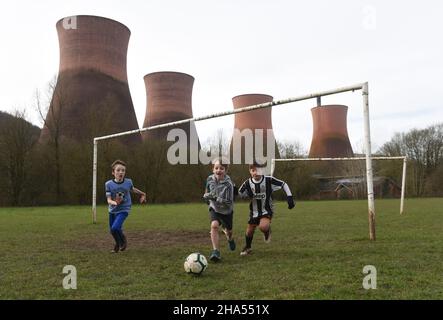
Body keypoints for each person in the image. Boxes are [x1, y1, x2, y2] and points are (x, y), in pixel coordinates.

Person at [238, 162, 295, 256]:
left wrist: (289, 197)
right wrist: (247, 195)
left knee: (263, 226)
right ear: (250, 171)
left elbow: (283, 184)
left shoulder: (269, 180)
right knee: (249, 231)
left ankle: (267, 231)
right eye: (253, 170)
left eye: (259, 170)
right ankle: (248, 247)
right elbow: (240, 193)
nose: (256, 173)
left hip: (266, 210)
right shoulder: (247, 183)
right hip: (254, 212)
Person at [105, 159, 146, 253]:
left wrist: (143, 194)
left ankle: (123, 240)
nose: (121, 172)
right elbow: (108, 199)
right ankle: (117, 244)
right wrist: (114, 202)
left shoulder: (128, 182)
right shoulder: (108, 184)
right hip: (112, 209)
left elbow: (133, 189)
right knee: (112, 230)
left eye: (123, 170)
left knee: (115, 228)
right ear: (113, 172)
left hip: (124, 209)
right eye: (118, 170)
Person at [203, 157, 236, 262]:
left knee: (229, 231)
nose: (218, 170)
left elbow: (229, 202)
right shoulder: (209, 179)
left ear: (226, 171)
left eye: (221, 168)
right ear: (213, 169)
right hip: (214, 208)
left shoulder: (229, 184)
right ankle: (216, 251)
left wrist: (215, 198)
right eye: (216, 168)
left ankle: (230, 238)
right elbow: (207, 190)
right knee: (214, 226)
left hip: (227, 211)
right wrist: (206, 197)